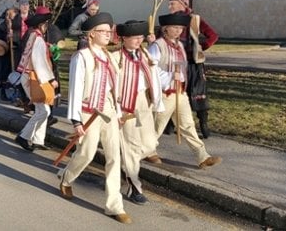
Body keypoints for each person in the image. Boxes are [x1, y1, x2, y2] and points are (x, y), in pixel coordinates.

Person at [58, 12, 132, 224]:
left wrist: (118, 113)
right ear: (91, 34)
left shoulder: (109, 57)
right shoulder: (81, 57)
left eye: (110, 31)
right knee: (87, 153)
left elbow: (113, 89)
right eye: (103, 31)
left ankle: (114, 205)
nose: (108, 35)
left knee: (114, 157)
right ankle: (66, 177)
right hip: (87, 111)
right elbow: (75, 88)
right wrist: (76, 121)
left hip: (108, 112)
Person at [146, 13, 222, 169]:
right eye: (175, 27)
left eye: (180, 28)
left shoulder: (180, 46)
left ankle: (202, 156)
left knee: (188, 125)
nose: (178, 31)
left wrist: (181, 77)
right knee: (157, 126)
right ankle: (147, 150)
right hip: (165, 93)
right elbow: (150, 70)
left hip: (180, 93)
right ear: (166, 29)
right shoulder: (157, 46)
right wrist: (168, 75)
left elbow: (184, 66)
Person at [111, 20, 163, 205]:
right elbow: (112, 85)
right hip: (125, 104)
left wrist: (157, 102)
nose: (137, 40)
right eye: (134, 37)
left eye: (140, 37)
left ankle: (123, 161)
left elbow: (154, 76)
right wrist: (117, 111)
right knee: (131, 145)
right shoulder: (116, 57)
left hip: (144, 101)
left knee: (149, 143)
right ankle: (134, 186)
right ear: (124, 38)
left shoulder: (145, 53)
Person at [168, 0, 219, 138]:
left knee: (197, 93)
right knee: (176, 91)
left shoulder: (194, 19)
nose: (169, 6)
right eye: (169, 3)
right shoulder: (169, 21)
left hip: (193, 63)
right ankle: (171, 124)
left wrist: (199, 47)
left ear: (182, 4)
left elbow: (213, 36)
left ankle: (203, 125)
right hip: (177, 62)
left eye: (172, 3)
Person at [14, 6, 58, 151]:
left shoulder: (32, 35)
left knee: (43, 110)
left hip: (29, 75)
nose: (47, 27)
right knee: (43, 111)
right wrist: (51, 79)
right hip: (32, 77)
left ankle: (38, 139)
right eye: (46, 24)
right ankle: (23, 136)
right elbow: (40, 62)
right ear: (42, 25)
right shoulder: (37, 38)